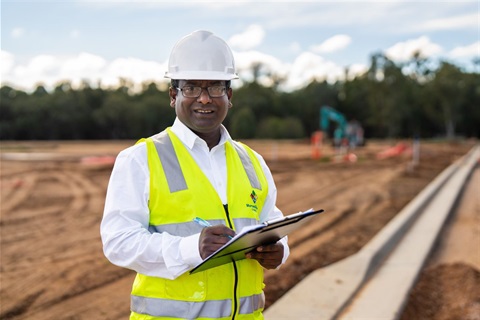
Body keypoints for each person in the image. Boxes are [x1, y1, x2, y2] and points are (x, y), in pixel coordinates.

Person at [100, 30, 290, 320]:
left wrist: (280, 250)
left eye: (215, 87)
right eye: (191, 88)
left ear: (229, 95)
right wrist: (189, 248)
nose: (204, 99)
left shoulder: (252, 161)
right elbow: (118, 242)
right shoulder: (140, 159)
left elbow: (272, 219)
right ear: (173, 95)